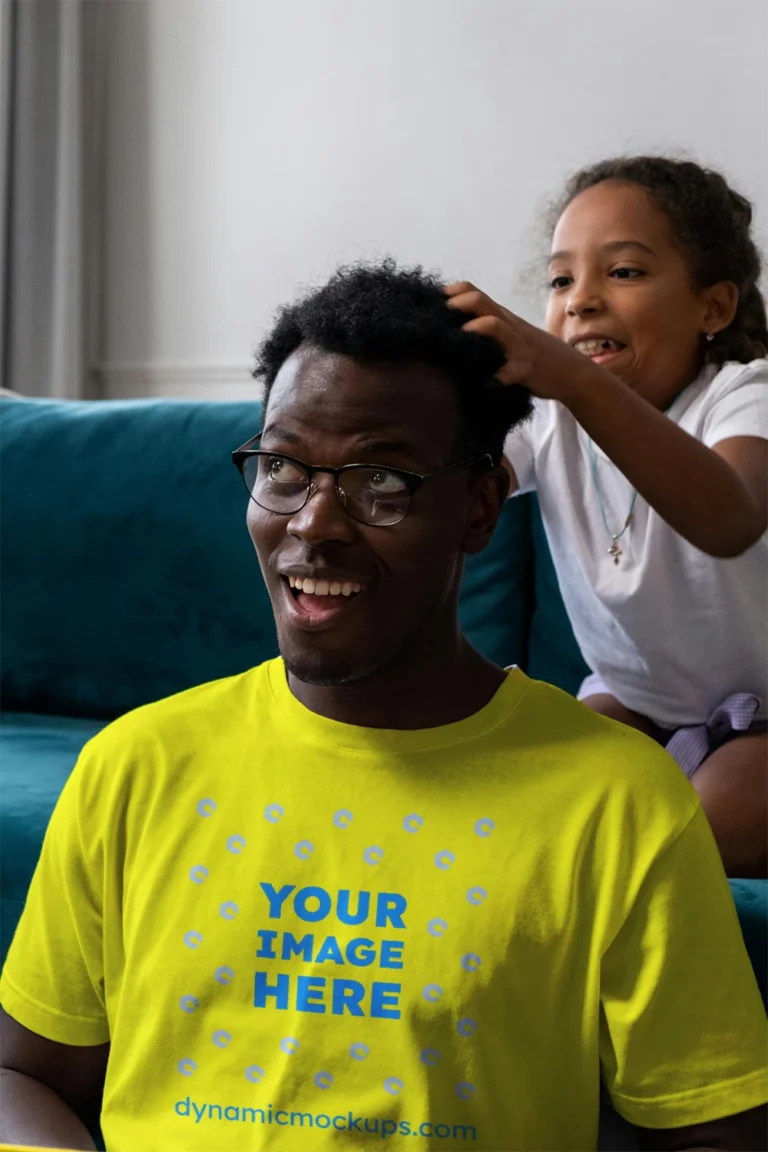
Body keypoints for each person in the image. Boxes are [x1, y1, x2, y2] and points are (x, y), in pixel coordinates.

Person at [1, 261, 767, 1151]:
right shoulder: (135, 766)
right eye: (284, 467)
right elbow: (24, 1074)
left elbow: (716, 1134)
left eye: (382, 483)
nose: (315, 522)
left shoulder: (618, 801)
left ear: (481, 507)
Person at [447, 156, 768, 880]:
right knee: (528, 809)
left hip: (766, 718)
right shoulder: (547, 416)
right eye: (561, 280)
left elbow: (731, 518)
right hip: (638, 702)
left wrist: (573, 379)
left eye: (622, 272)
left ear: (712, 308)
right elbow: (463, 486)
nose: (580, 300)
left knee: (699, 835)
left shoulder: (745, 395)